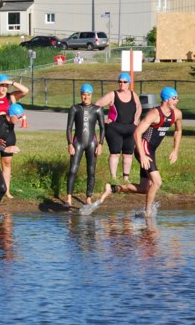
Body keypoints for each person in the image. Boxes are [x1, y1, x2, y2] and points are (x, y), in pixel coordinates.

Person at [102, 87, 183, 217]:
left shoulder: (177, 114)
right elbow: (137, 133)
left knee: (145, 188)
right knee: (157, 182)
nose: (177, 101)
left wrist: (175, 150)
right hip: (143, 148)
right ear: (167, 99)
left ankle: (113, 188)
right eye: (175, 98)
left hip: (151, 151)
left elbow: (178, 131)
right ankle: (147, 212)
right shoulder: (154, 114)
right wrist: (143, 154)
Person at [94, 72, 141, 183]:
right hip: (114, 128)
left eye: (124, 82)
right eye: (120, 82)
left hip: (130, 129)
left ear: (129, 83)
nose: (122, 84)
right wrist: (101, 120)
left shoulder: (134, 95)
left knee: (128, 154)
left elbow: (139, 107)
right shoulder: (112, 95)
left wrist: (136, 120)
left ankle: (126, 178)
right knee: (115, 153)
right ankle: (114, 178)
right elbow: (96, 105)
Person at [65, 85, 106, 207]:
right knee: (73, 170)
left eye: (88, 94)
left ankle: (88, 198)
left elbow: (103, 128)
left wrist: (101, 144)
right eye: (83, 94)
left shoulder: (97, 109)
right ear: (80, 95)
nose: (86, 97)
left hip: (92, 143)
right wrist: (70, 144)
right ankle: (69, 199)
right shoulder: (75, 108)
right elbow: (69, 128)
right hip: (78, 143)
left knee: (91, 171)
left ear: (91, 95)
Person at [0, 74, 29, 198]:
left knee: (7, 162)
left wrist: (12, 82)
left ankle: (6, 190)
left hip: (8, 133)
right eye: (2, 85)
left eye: (6, 86)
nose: (4, 88)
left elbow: (25, 90)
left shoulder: (11, 97)